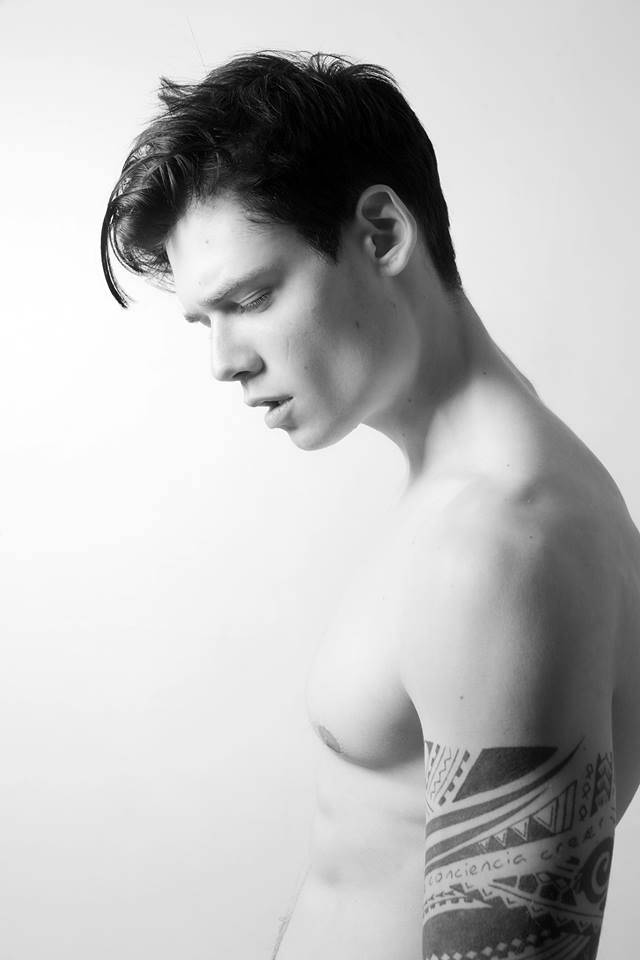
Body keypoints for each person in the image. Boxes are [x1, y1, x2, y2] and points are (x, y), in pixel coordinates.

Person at [101, 49, 640, 960]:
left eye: (252, 297)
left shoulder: (497, 547)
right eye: (205, 321)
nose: (224, 361)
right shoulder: (477, 489)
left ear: (383, 233)